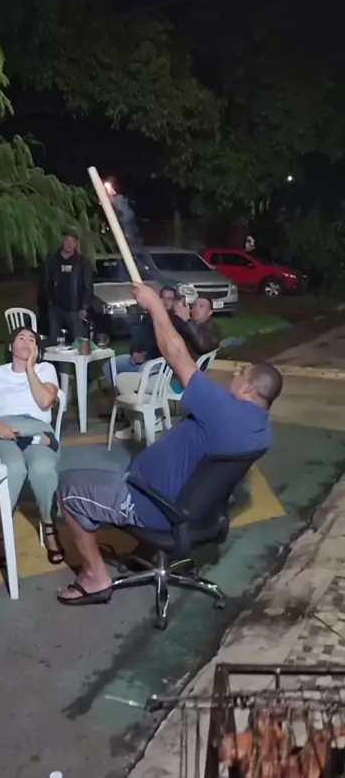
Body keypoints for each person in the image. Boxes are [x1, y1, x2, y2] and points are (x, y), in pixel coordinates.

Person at [56, 282, 282, 605]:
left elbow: (176, 354)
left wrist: (154, 306)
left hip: (149, 503)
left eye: (241, 372)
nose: (235, 374)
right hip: (197, 513)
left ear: (249, 389)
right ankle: (149, 549)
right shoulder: (262, 431)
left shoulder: (222, 408)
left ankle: (95, 577)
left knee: (68, 488)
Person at [0, 327, 64, 566]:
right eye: (21, 338)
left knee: (42, 468)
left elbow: (45, 402)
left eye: (32, 339)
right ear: (10, 346)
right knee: (13, 468)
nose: (26, 342)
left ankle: (49, 525)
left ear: (37, 348)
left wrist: (30, 369)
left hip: (36, 431)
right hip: (0, 430)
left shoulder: (46, 370)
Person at [110, 289, 220, 439]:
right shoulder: (196, 327)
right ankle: (147, 419)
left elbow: (202, 345)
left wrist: (186, 321)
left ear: (210, 312)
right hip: (175, 376)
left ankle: (140, 423)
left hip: (177, 382)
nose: (195, 309)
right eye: (195, 305)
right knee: (129, 377)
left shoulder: (207, 329)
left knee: (123, 380)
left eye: (202, 306)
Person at [39, 231, 93, 343]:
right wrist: (48, 301)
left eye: (72, 242)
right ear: (62, 241)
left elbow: (88, 285)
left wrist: (84, 306)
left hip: (74, 308)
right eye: (67, 241)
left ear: (76, 244)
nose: (69, 244)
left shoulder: (82, 263)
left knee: (79, 340)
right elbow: (45, 281)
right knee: (53, 341)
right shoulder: (52, 260)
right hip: (55, 308)